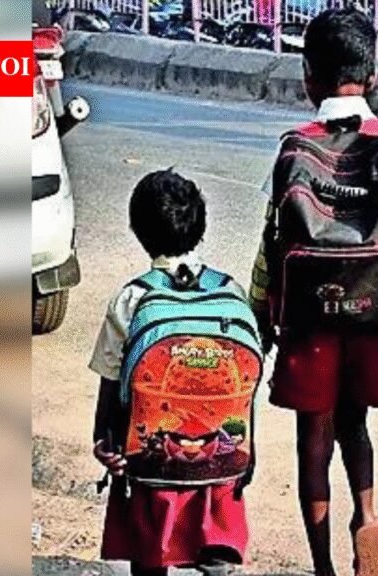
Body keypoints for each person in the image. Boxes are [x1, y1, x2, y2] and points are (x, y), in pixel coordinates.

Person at [247, 8, 378, 576]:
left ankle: (323, 567)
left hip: (309, 318)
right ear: (374, 76)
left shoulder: (296, 147)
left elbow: (272, 241)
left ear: (307, 78)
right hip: (375, 312)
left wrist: (260, 310)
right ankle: (366, 517)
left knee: (312, 437)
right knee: (354, 423)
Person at [89, 170, 251, 576]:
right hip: (221, 457)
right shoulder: (231, 292)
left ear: (138, 230)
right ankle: (216, 558)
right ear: (200, 228)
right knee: (217, 540)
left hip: (151, 462)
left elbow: (111, 377)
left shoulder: (132, 298)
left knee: (151, 552)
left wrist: (104, 438)